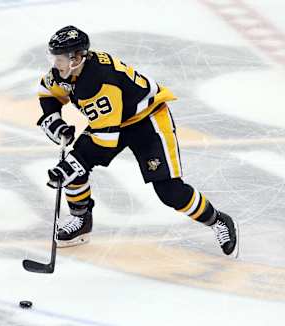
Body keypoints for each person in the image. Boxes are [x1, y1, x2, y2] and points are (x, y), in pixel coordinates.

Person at [36, 25, 239, 257]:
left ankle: (219, 221)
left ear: (77, 58)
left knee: (170, 192)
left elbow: (104, 144)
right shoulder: (66, 72)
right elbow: (47, 91)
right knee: (76, 166)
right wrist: (52, 118)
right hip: (113, 120)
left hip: (147, 120)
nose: (55, 63)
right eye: (54, 57)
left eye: (60, 58)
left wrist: (70, 166)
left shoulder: (99, 83)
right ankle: (81, 221)